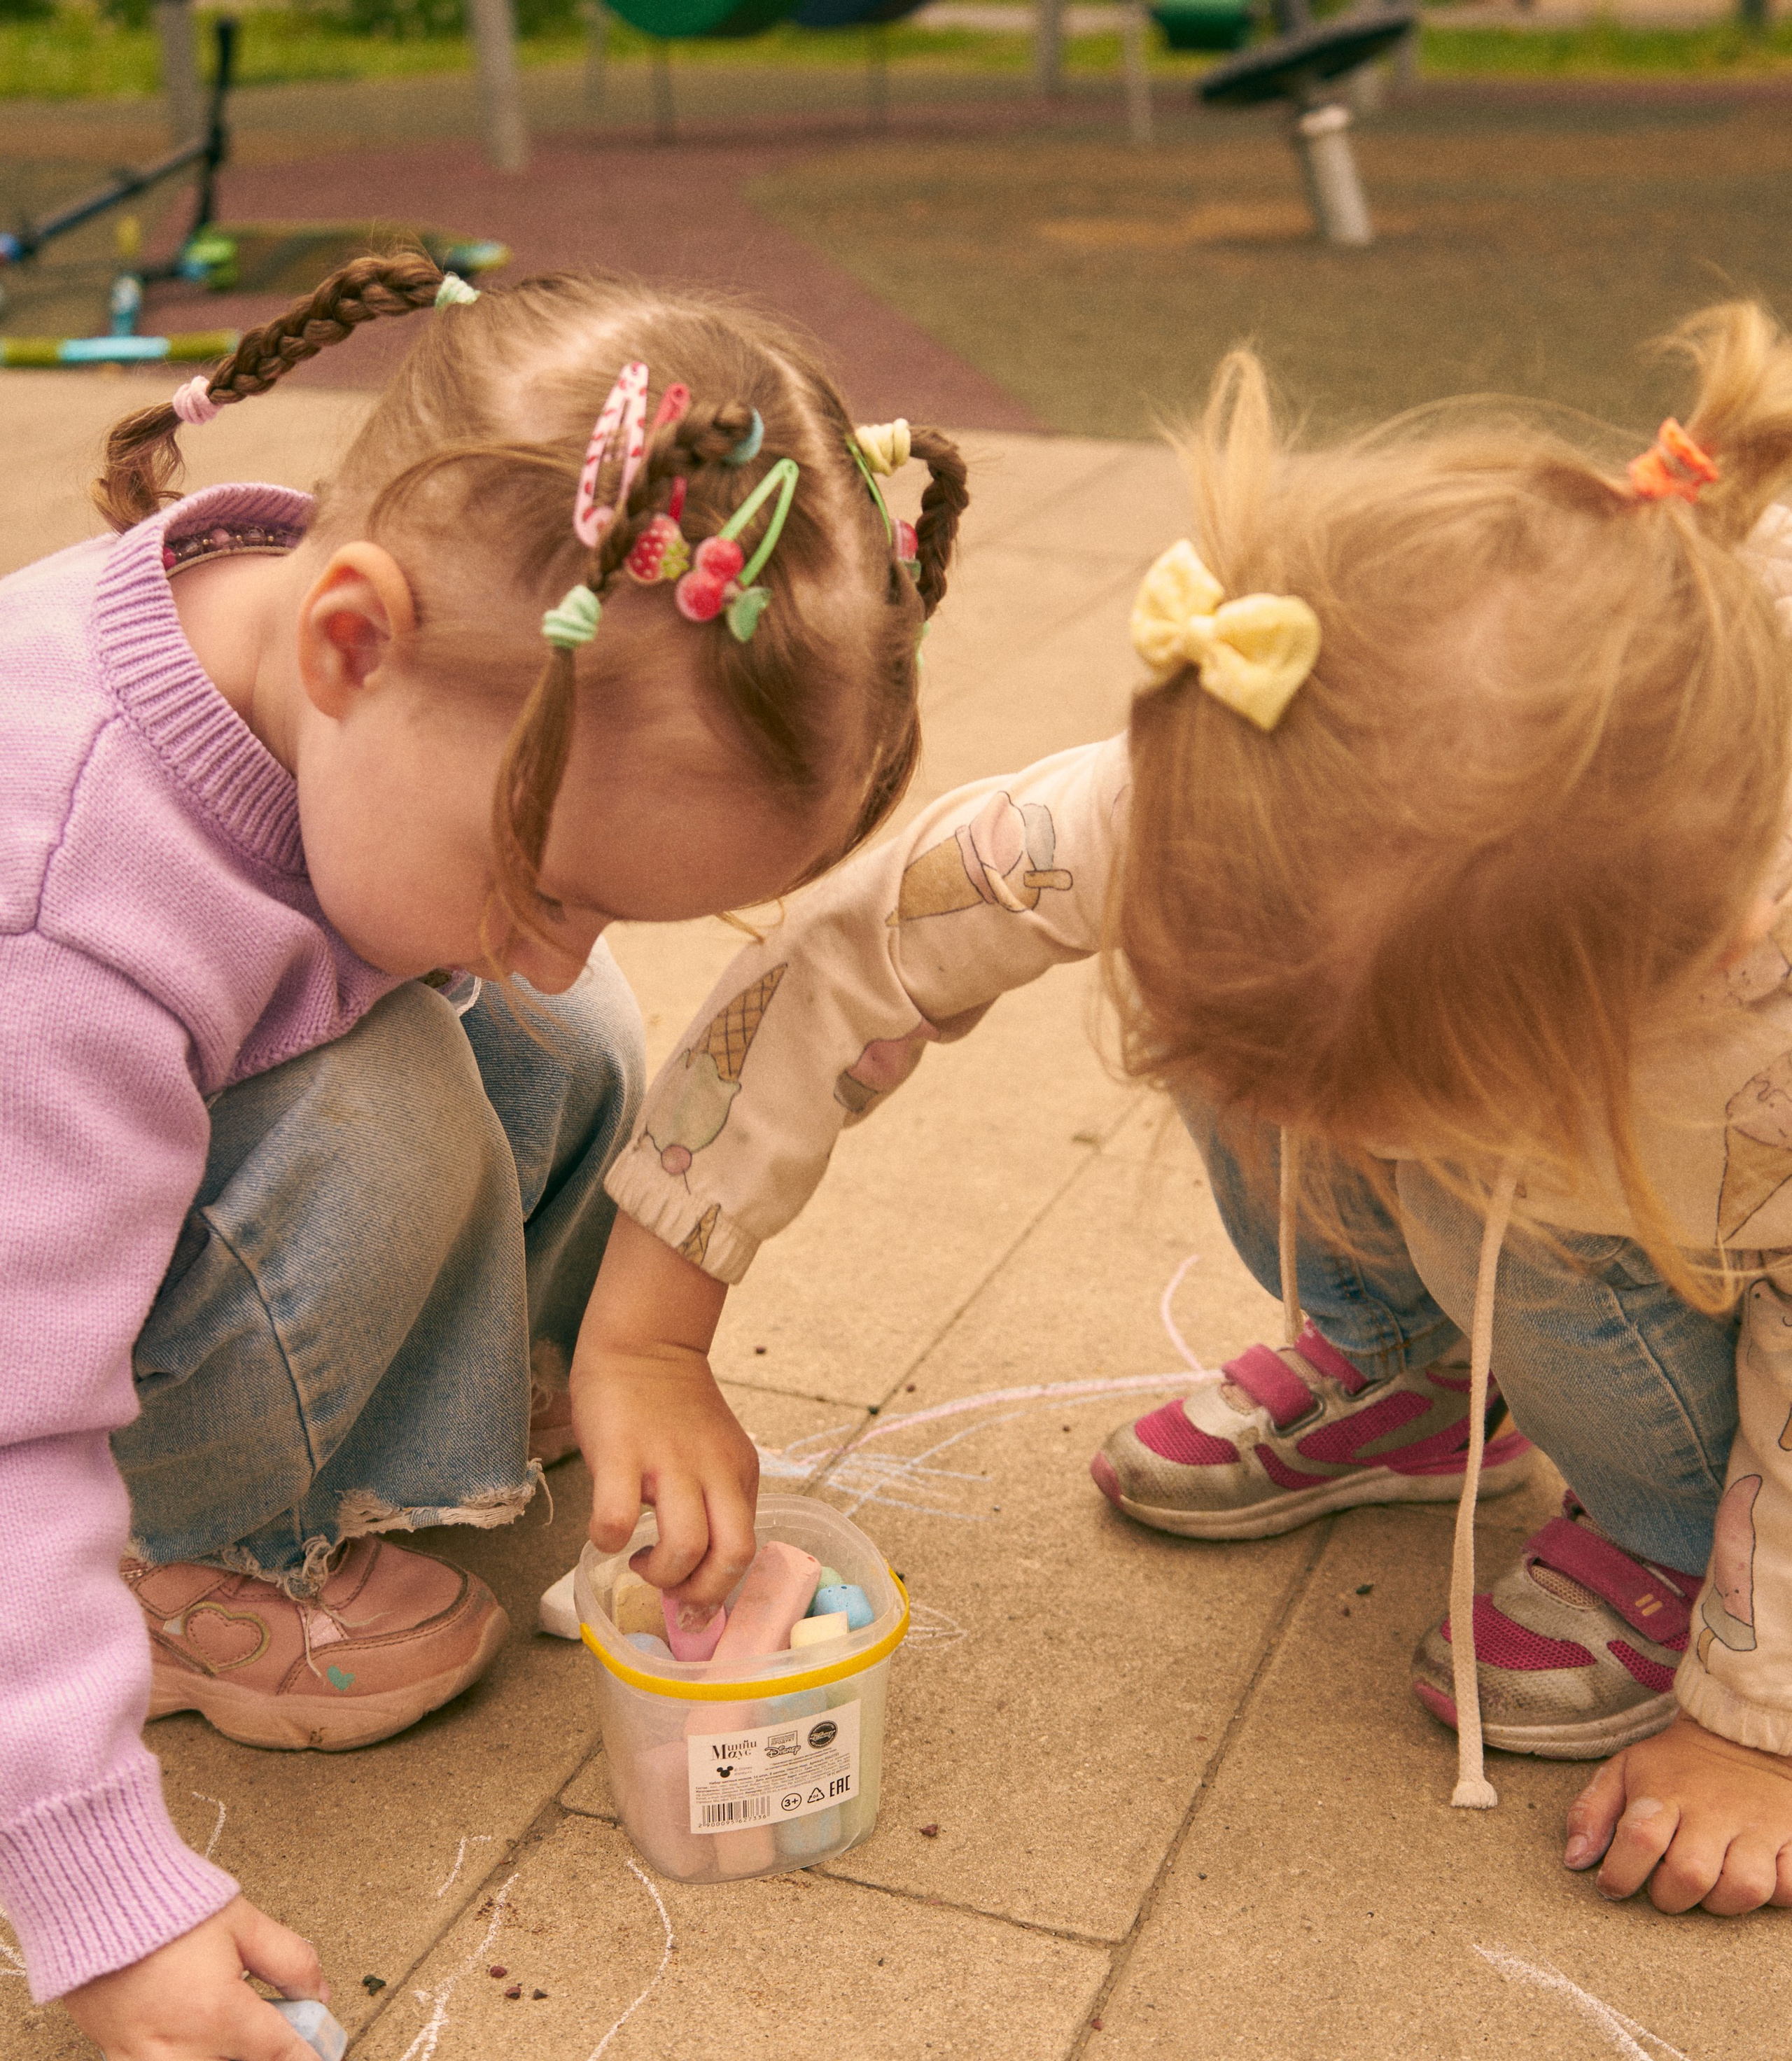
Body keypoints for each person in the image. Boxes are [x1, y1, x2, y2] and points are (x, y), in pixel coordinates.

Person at [584, 300, 1792, 1922]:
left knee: (1495, 1188)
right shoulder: (1233, 781)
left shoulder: (1748, 1018)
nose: (1333, 1142)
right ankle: (1408, 1369)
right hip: (1573, 1142)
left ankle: (1657, 1538)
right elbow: (853, 954)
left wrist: (1756, 1719)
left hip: (1707, 1289)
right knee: (1260, 1040)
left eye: (1403, 1098)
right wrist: (650, 1333)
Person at [0, 250, 967, 2061]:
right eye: (552, 872)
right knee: (394, 1112)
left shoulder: (365, 663)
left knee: (557, 1028)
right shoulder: (63, 920)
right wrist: (96, 1892)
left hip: (115, 1169)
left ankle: (431, 1391)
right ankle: (204, 1568)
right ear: (352, 647)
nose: (566, 927)